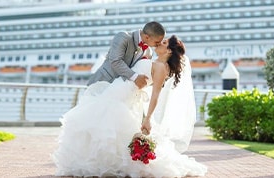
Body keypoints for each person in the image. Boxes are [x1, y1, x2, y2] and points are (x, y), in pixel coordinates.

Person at [53, 35, 207, 177]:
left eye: (164, 42)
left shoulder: (161, 67)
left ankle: (107, 164)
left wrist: (147, 119)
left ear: (169, 50)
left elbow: (155, 96)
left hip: (123, 97)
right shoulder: (155, 60)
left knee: (105, 126)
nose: (160, 42)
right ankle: (100, 163)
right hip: (117, 91)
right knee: (99, 125)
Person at [86, 21, 165, 89]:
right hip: (101, 83)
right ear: (147, 37)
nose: (158, 45)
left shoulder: (149, 52)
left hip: (120, 90)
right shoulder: (123, 37)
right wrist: (135, 77)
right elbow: (115, 61)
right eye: (157, 42)